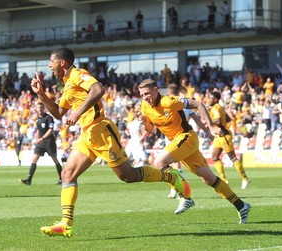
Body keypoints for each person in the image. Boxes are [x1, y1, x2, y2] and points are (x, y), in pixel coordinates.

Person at [31, 47, 190, 238]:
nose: (49, 65)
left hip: (101, 130)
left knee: (128, 175)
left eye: (51, 61)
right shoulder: (67, 85)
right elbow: (58, 113)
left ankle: (172, 178)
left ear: (62, 62)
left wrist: (79, 111)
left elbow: (99, 89)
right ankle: (66, 223)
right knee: (67, 173)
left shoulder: (78, 75)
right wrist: (41, 94)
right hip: (87, 135)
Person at [137, 79, 251, 224]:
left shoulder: (169, 102)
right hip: (179, 142)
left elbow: (198, 105)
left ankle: (185, 196)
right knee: (208, 178)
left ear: (155, 89)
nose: (145, 97)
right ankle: (241, 205)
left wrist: (210, 127)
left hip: (187, 137)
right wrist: (145, 123)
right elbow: (150, 128)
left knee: (160, 162)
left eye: (147, 93)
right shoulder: (145, 106)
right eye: (142, 95)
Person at [166, 84, 215, 198]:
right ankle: (178, 187)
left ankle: (178, 188)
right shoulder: (183, 104)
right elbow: (197, 120)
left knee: (173, 164)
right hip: (185, 137)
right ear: (178, 92)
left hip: (172, 137)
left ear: (168, 92)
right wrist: (208, 132)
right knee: (179, 164)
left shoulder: (164, 104)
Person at [208, 91, 251, 189]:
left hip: (224, 135)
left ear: (215, 99)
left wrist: (208, 121)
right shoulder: (219, 107)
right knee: (215, 157)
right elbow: (227, 119)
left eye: (210, 97)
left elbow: (218, 121)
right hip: (219, 135)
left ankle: (245, 178)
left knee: (232, 157)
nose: (208, 99)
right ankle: (223, 180)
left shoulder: (215, 108)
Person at [19, 102, 62, 185]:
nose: (39, 109)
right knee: (34, 159)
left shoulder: (48, 117)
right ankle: (29, 180)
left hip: (49, 142)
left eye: (41, 108)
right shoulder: (38, 119)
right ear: (36, 109)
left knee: (55, 160)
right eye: (38, 108)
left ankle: (61, 179)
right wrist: (37, 139)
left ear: (44, 108)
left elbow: (50, 130)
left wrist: (42, 138)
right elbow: (39, 130)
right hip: (41, 143)